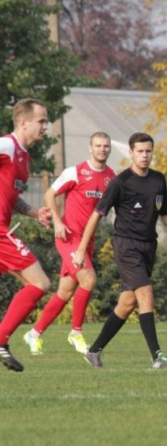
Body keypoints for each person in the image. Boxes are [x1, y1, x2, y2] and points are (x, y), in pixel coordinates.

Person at [73, 132, 167, 369]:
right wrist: (81, 249)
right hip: (126, 245)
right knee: (145, 293)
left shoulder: (158, 180)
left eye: (148, 151)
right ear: (131, 153)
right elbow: (97, 214)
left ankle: (93, 351)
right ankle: (157, 356)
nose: (145, 155)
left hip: (149, 246)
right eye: (140, 151)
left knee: (127, 303)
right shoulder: (120, 181)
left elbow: (165, 211)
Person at [22, 132, 116, 356]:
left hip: (88, 240)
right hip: (69, 237)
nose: (102, 149)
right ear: (90, 148)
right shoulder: (75, 171)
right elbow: (49, 194)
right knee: (89, 279)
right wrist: (57, 221)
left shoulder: (112, 178)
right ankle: (76, 333)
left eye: (106, 146)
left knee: (65, 292)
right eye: (98, 145)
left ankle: (34, 333)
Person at [0, 98, 52, 372]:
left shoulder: (24, 158)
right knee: (40, 282)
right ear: (24, 122)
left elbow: (11, 198)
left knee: (32, 285)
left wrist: (34, 212)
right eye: (41, 121)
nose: (46, 126)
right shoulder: (7, 145)